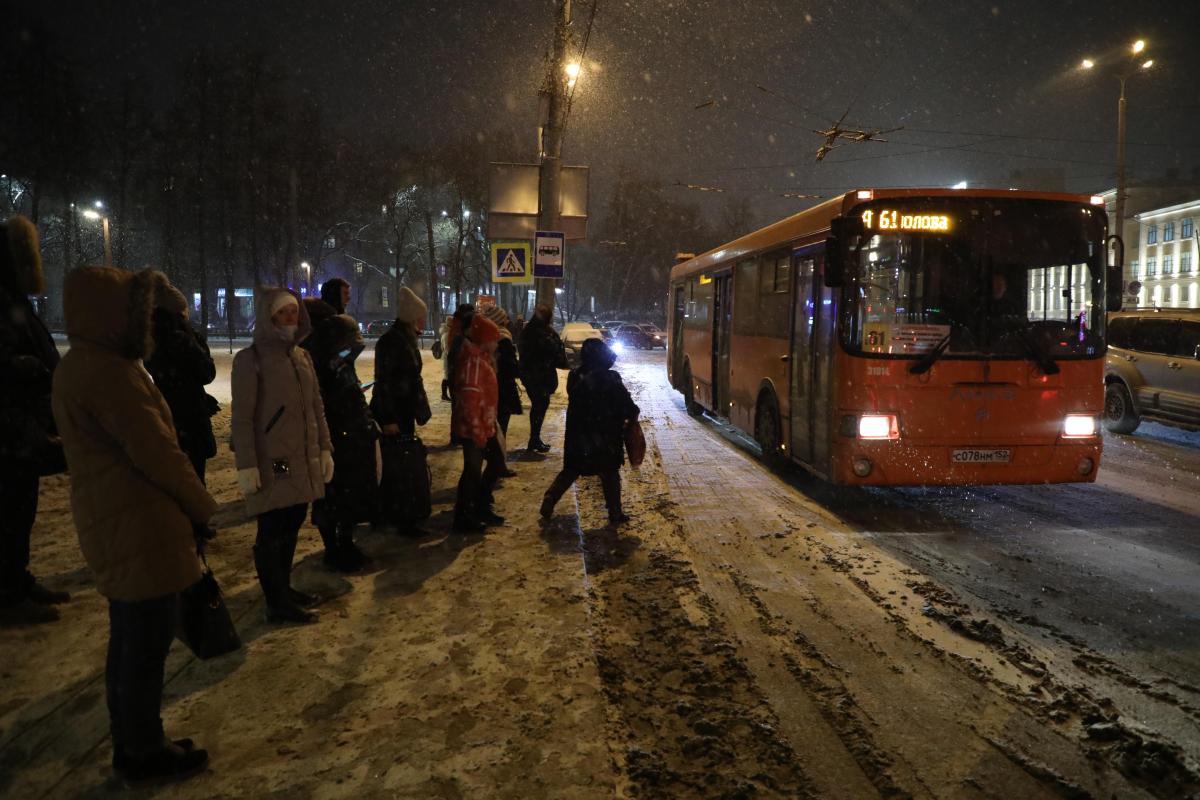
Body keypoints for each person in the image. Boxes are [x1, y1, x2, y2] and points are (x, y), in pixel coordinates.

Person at [52, 266, 214, 783]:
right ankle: (145, 750)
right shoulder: (112, 374)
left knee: (129, 637)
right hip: (140, 519)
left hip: (113, 516)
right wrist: (202, 506)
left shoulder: (79, 365)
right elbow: (159, 454)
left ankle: (133, 741)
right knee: (146, 642)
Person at [231, 288, 332, 624]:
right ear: (269, 317)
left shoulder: (302, 357)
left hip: (302, 456)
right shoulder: (251, 360)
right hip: (272, 458)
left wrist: (324, 448)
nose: (290, 318)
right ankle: (276, 601)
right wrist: (247, 464)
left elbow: (316, 407)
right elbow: (243, 418)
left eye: (294, 312)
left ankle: (284, 589)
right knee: (272, 530)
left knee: (292, 523)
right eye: (283, 313)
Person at [0, 216, 70, 619]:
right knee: (10, 508)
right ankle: (8, 592)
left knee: (21, 505)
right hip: (11, 427)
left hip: (22, 424)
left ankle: (16, 577)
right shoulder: (3, 300)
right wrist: (24, 367)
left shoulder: (13, 299)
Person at [304, 311, 377, 572]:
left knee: (349, 496)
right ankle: (333, 549)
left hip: (350, 438)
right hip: (334, 441)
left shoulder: (341, 365)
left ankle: (345, 543)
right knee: (331, 497)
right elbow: (324, 405)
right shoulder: (321, 369)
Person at [540, 338, 639, 527]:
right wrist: (631, 414)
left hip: (579, 436)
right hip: (605, 436)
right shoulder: (610, 379)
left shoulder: (575, 376)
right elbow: (626, 405)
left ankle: (551, 497)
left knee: (571, 471)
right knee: (609, 473)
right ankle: (615, 512)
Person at [371, 287, 433, 533]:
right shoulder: (392, 342)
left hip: (402, 411)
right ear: (412, 317)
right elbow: (384, 381)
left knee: (400, 464)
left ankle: (399, 513)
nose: (423, 321)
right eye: (421, 317)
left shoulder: (404, 339)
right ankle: (400, 516)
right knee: (398, 467)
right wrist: (387, 418)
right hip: (394, 413)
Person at [144, 280, 218, 482]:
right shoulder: (181, 339)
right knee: (194, 481)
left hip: (169, 417)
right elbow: (207, 373)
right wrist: (197, 343)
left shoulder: (152, 339)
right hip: (190, 419)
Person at [451, 313, 506, 531]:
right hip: (474, 429)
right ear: (484, 339)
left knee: (495, 464)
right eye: (494, 339)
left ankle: (480, 506)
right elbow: (470, 399)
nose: (496, 343)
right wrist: (477, 430)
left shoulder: (482, 358)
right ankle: (464, 517)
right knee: (472, 472)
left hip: (485, 425)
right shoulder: (474, 361)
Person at [518, 304, 567, 453]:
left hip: (537, 375)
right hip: (537, 375)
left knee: (540, 405)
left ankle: (535, 438)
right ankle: (534, 438)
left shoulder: (536, 331)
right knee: (540, 404)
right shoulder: (538, 332)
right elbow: (548, 350)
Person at [481, 304, 521, 476]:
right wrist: (518, 369)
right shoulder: (502, 339)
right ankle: (497, 466)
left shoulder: (486, 338)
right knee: (499, 429)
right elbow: (510, 367)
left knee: (495, 428)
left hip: (493, 388)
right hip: (501, 389)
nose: (507, 320)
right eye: (503, 317)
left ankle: (496, 464)